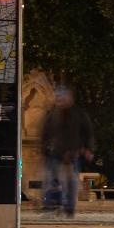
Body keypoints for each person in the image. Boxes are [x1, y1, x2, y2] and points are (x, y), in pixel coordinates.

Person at [41, 86, 94, 217]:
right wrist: (44, 149)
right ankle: (52, 204)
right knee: (52, 179)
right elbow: (45, 134)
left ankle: (69, 207)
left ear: (69, 99)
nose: (60, 101)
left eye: (63, 98)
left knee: (71, 180)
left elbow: (88, 133)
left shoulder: (79, 115)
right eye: (58, 98)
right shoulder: (52, 115)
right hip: (55, 152)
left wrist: (88, 149)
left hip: (73, 152)